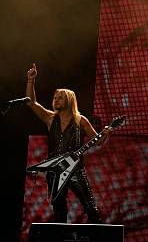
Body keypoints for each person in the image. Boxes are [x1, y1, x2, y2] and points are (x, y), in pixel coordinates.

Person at [25, 63, 109, 223]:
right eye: (55, 98)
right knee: (59, 209)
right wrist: (31, 81)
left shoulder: (81, 120)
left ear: (69, 100)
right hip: (55, 170)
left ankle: (95, 241)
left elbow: (98, 141)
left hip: (76, 170)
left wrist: (106, 133)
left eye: (60, 97)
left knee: (91, 207)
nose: (55, 100)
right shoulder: (50, 118)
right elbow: (31, 103)